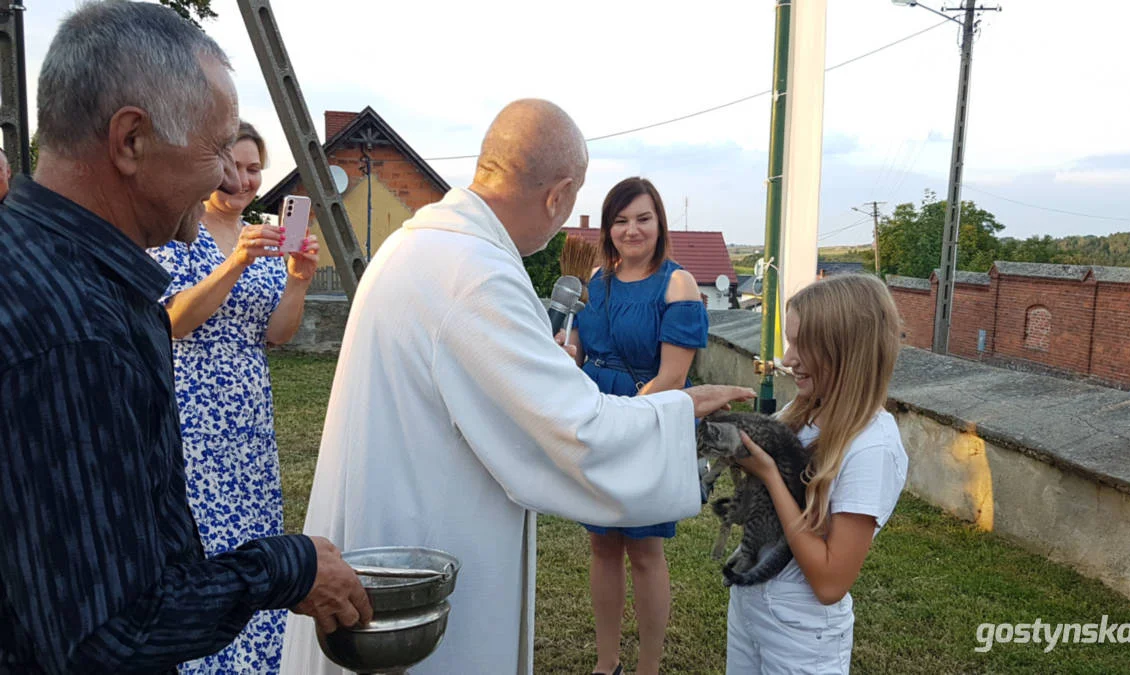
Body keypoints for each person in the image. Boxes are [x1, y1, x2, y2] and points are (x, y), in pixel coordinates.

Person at [279, 99, 754, 675]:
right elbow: (574, 430)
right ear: (557, 195)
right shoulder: (475, 273)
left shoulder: (418, 242)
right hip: (427, 541)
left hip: (393, 508)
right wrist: (679, 412)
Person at [0, 3, 369, 672]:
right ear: (131, 140)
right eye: (219, 145)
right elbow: (113, 633)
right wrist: (290, 565)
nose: (228, 175)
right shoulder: (76, 333)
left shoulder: (56, 270)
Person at [148, 121, 320, 674]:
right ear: (208, 167)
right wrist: (235, 262)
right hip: (191, 416)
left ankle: (256, 664)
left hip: (249, 418)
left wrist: (296, 280)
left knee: (253, 542)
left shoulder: (265, 238)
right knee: (203, 546)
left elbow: (277, 335)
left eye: (252, 169)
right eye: (231, 167)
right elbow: (173, 321)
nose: (242, 180)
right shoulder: (177, 231)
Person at [726, 274, 909, 675]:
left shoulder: (871, 448)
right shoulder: (804, 412)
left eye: (800, 345)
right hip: (752, 603)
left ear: (845, 350)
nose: (788, 359)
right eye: (789, 342)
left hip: (802, 634)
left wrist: (771, 476)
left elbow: (829, 582)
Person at [569, 177, 708, 675]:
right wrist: (567, 355)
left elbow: (673, 375)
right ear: (608, 228)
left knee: (645, 551)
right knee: (602, 545)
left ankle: (648, 667)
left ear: (659, 222)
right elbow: (580, 357)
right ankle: (607, 664)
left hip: (646, 424)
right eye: (621, 220)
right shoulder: (593, 285)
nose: (632, 230)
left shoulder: (678, 283)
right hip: (597, 424)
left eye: (642, 219)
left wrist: (621, 419)